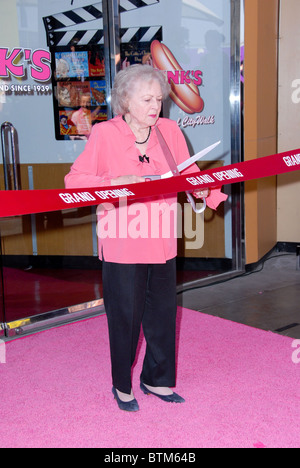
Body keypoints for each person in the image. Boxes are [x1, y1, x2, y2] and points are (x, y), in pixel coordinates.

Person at [65, 64, 225, 412]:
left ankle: (157, 378)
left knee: (162, 315)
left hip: (162, 239)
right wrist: (115, 183)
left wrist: (211, 195)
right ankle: (122, 385)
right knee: (125, 317)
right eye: (147, 99)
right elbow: (74, 182)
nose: (156, 106)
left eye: (159, 99)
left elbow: (190, 172)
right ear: (125, 100)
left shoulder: (169, 130)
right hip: (122, 240)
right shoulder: (105, 134)